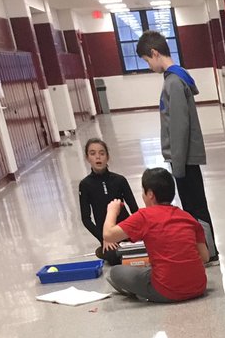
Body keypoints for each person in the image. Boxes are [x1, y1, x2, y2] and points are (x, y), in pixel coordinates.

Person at [135, 29, 217, 261]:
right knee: (194, 206)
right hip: (184, 158)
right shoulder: (176, 78)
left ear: (154, 53)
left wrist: (177, 166)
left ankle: (209, 252)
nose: (148, 66)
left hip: (184, 158)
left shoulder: (173, 82)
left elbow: (179, 127)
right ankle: (205, 250)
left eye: (146, 60)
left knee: (195, 209)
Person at [102, 166, 208, 303]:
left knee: (115, 272)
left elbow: (108, 235)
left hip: (166, 290)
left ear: (150, 194)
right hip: (198, 286)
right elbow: (204, 257)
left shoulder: (144, 216)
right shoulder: (187, 217)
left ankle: (144, 292)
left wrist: (112, 210)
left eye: (143, 191)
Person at [77, 137, 138, 266]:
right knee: (113, 257)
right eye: (93, 153)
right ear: (87, 158)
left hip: (125, 230)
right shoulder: (85, 184)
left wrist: (136, 232)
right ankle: (104, 249)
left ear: (107, 157)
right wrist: (104, 238)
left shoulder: (120, 180)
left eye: (102, 153)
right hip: (107, 235)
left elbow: (134, 210)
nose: (98, 157)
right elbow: (86, 219)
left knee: (138, 252)